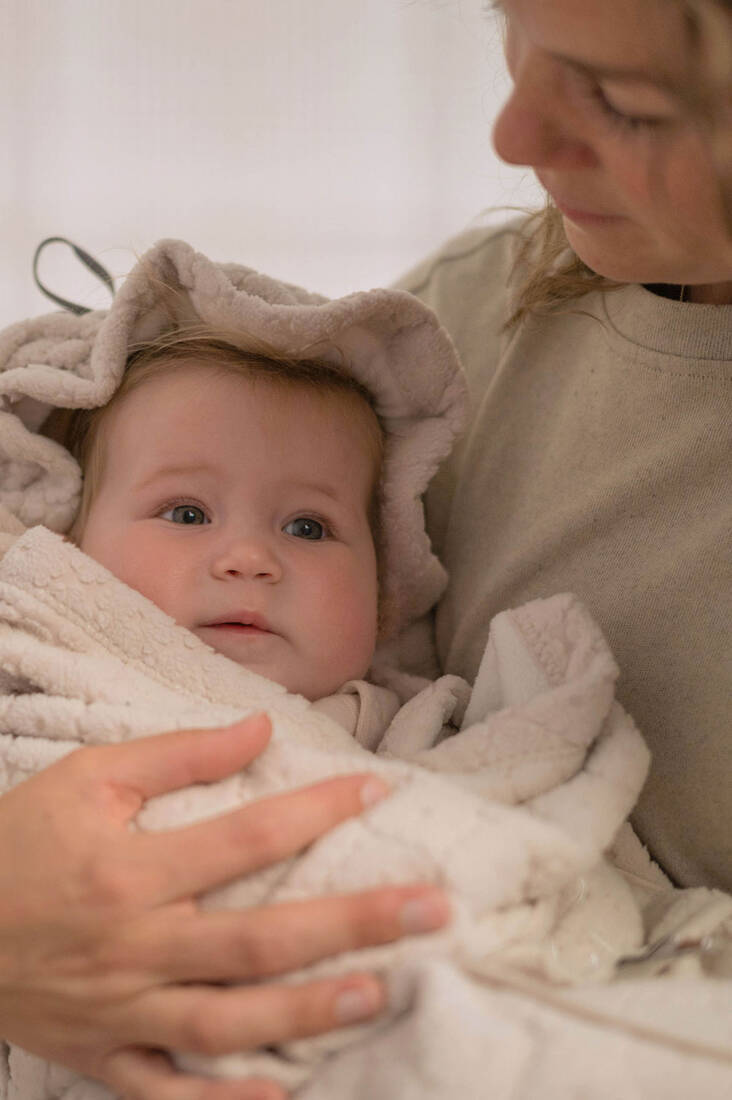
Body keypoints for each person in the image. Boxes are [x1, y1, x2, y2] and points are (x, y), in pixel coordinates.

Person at [0, 0, 729, 1095]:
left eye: (621, 101)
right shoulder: (447, 337)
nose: (513, 135)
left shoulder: (430, 736)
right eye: (515, 31)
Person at [0, 241, 652, 1097]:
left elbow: (552, 859)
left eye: (307, 527)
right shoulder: (33, 682)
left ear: (385, 580)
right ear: (71, 541)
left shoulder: (430, 727)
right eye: (186, 511)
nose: (248, 557)